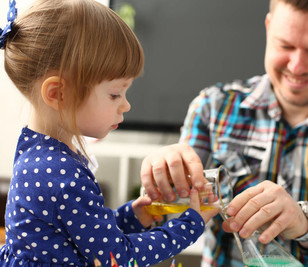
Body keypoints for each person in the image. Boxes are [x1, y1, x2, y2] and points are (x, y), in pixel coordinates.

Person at [140, 0, 308, 266]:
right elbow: (169, 222)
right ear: (268, 29)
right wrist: (163, 181)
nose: (297, 67)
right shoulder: (211, 108)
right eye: (285, 45)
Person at [0, 0, 218, 266]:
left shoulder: (41, 156)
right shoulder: (61, 175)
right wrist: (190, 224)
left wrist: (132, 217)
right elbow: (119, 257)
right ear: (58, 94)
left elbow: (83, 231)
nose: (126, 105)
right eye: (115, 94)